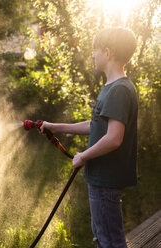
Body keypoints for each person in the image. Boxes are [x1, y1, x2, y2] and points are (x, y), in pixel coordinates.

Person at [40, 27, 138, 248]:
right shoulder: (111, 87)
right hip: (100, 179)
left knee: (109, 241)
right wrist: (55, 127)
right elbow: (96, 126)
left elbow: (114, 138)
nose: (92, 54)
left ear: (108, 52)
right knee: (103, 236)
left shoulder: (119, 90)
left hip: (106, 179)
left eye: (95, 50)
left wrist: (83, 156)